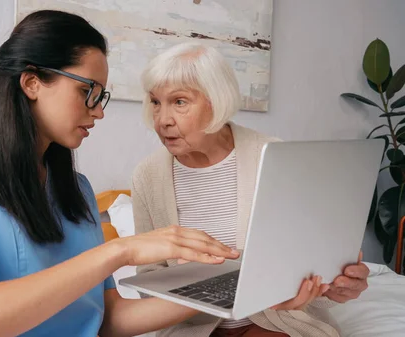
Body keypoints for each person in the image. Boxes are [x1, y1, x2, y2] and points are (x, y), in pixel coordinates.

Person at [0, 10, 241, 337]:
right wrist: (120, 251)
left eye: (100, 96)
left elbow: (108, 320)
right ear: (32, 82)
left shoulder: (74, 189)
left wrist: (227, 289)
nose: (98, 111)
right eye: (86, 91)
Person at [131, 42, 370, 337]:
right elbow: (148, 279)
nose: (163, 120)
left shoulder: (274, 156)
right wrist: (196, 288)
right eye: (156, 102)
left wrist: (336, 284)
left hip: (273, 320)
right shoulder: (147, 177)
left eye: (179, 102)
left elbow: (305, 260)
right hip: (194, 327)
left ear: (216, 101)